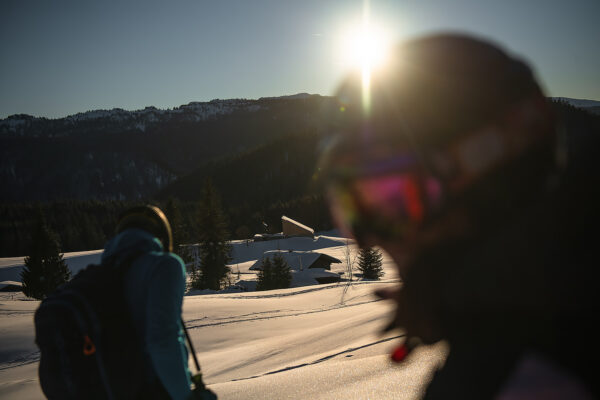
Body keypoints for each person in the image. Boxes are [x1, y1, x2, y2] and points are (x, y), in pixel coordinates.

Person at [323, 34, 599, 399]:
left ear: (497, 170)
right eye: (351, 209)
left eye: (393, 199)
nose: (371, 236)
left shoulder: (521, 378)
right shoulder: (556, 314)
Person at [104, 205, 208, 399]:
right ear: (161, 235)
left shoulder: (102, 275)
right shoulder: (164, 265)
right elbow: (163, 339)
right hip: (150, 388)